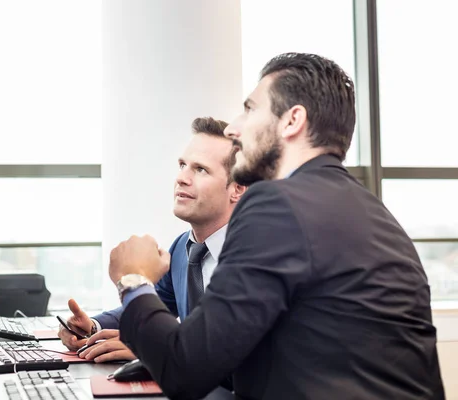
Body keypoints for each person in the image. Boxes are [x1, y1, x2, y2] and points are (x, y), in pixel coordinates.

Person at [107, 53, 445, 399]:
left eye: (251, 109)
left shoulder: (277, 204)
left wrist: (133, 280)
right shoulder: (373, 213)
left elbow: (184, 368)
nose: (233, 128)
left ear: (292, 121)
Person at [58, 117, 246, 363]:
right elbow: (149, 306)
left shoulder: (252, 255)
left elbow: (235, 348)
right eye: (182, 165)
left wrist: (152, 349)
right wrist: (92, 327)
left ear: (237, 188)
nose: (182, 178)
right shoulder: (182, 248)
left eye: (200, 169)